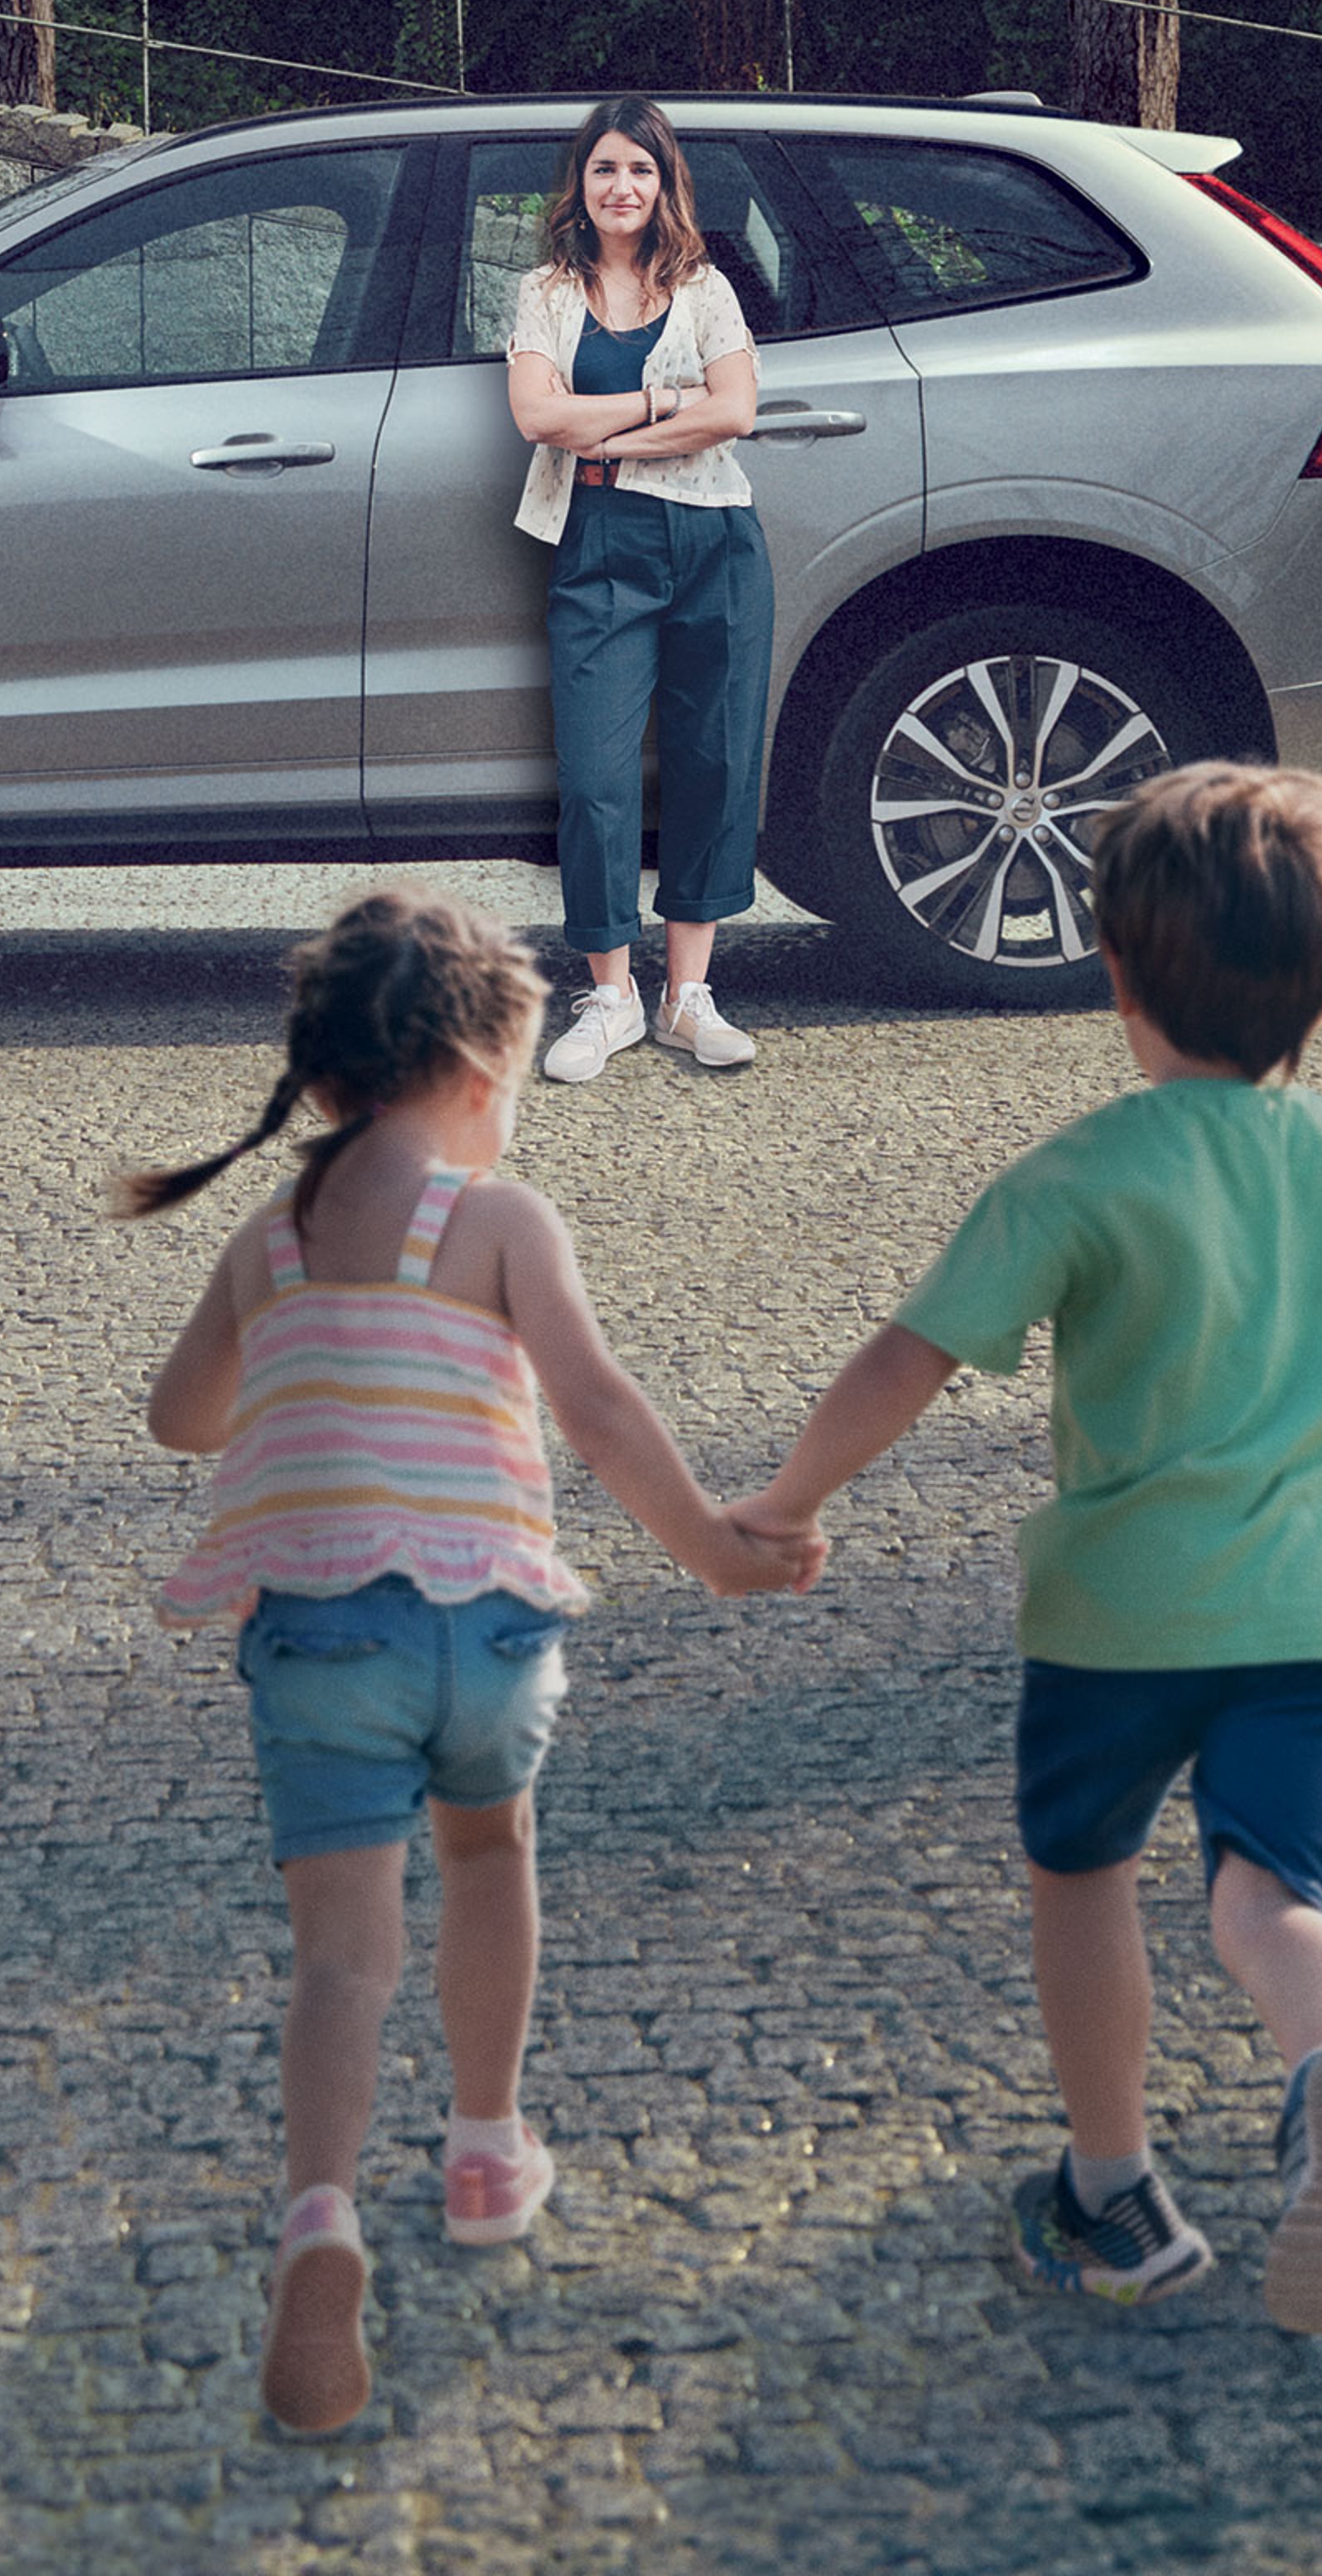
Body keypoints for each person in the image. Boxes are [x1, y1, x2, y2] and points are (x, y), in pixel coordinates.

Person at [732, 763, 1322, 2334]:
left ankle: (1113, 2195)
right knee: (1272, 1894)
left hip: (1115, 1619)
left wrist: (790, 1499)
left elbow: (909, 1359)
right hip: (1320, 1611)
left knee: (1083, 1875)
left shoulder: (1082, 1173)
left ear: (1118, 978)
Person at [128, 887, 821, 2437]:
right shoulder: (499, 1223)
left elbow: (181, 1420)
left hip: (320, 1634)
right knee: (491, 1855)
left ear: (322, 1082)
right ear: (470, 1071)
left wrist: (289, 1372)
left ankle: (320, 2212)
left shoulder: (269, 1239)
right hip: (486, 1625)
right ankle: (488, 2150)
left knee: (341, 1958)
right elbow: (601, 1410)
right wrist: (716, 1548)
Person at [504, 96, 771, 1084]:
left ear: (667, 186)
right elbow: (538, 417)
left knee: (714, 764)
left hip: (715, 542)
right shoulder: (545, 291)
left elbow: (735, 411)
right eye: (607, 168)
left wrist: (606, 436)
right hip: (599, 544)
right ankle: (610, 996)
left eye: (642, 170)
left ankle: (687, 998)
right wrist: (664, 400)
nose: (623, 187)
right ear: (581, 182)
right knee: (597, 778)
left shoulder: (704, 287)